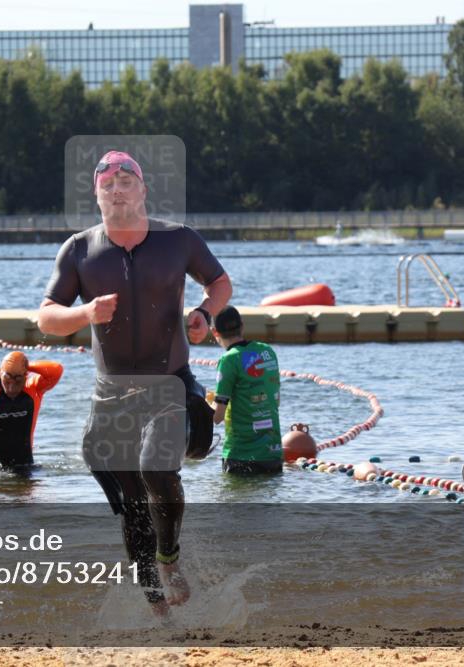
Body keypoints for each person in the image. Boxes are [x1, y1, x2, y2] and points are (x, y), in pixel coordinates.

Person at [37, 150, 232, 614]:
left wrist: (205, 314)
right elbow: (46, 317)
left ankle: (169, 560)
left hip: (169, 382)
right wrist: (85, 312)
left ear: (143, 190)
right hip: (113, 393)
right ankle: (154, 604)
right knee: (132, 505)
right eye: (109, 182)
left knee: (156, 469)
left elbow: (221, 283)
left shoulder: (179, 240)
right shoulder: (80, 249)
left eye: (127, 180)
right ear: (97, 194)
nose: (118, 188)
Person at [210, 306, 283, 474]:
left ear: (215, 332)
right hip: (273, 454)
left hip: (241, 456)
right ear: (242, 326)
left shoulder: (229, 359)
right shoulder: (267, 352)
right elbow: (275, 400)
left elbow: (217, 417)